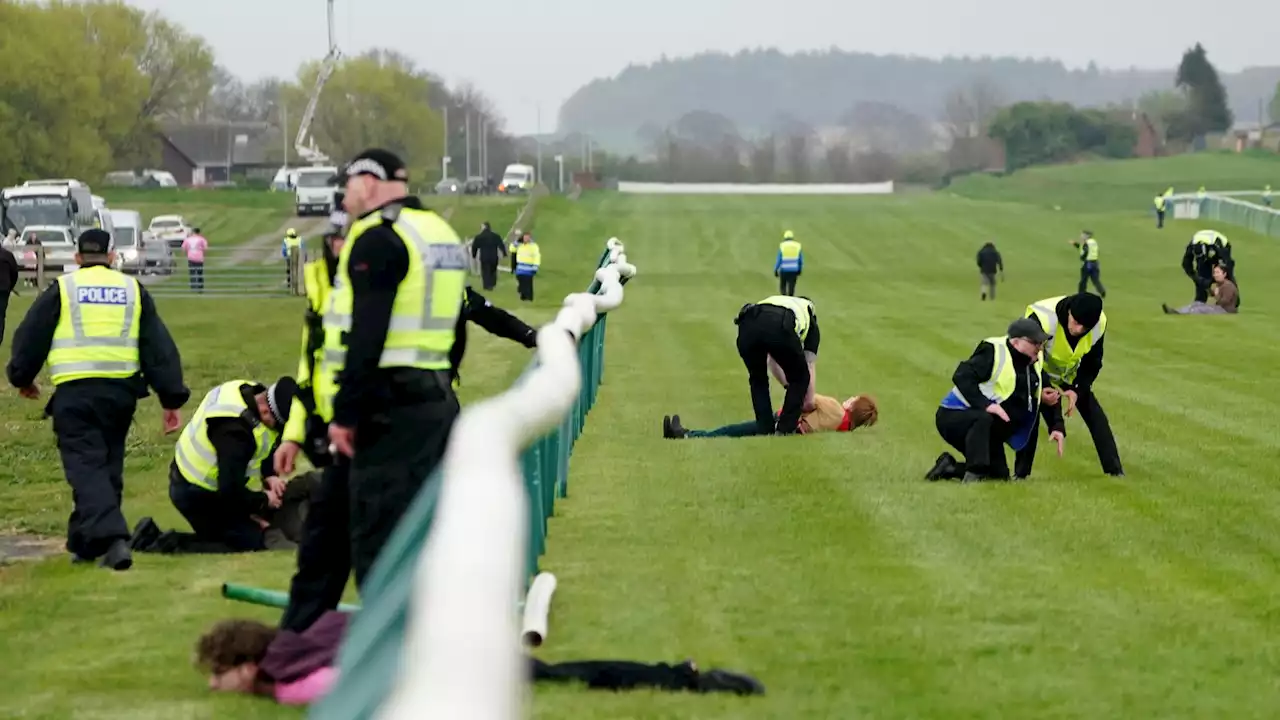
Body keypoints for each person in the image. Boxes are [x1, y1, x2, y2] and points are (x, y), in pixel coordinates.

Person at [273, 227, 537, 634]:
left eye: (349, 239)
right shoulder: (327, 294)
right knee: (341, 538)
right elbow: (308, 373)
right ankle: (313, 638)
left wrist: (531, 337)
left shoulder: (407, 288)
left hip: (407, 420)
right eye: (336, 240)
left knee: (407, 516)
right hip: (347, 430)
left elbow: (485, 313)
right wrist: (293, 433)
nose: (342, 248)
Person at [277, 148, 467, 627]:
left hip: (386, 407)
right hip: (430, 394)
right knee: (327, 531)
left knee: (377, 536)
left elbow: (368, 332)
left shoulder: (380, 237)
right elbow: (457, 329)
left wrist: (346, 413)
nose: (344, 194)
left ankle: (397, 651)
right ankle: (298, 641)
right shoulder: (439, 234)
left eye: (348, 183)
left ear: (368, 181)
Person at [5, 229, 189, 570]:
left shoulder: (64, 288)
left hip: (75, 393)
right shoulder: (133, 290)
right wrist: (171, 397)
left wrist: (22, 376)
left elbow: (32, 334)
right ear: (111, 255)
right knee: (106, 466)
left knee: (86, 467)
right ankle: (86, 544)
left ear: (77, 258)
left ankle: (114, 539)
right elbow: (158, 347)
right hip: (120, 395)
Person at [195, 611, 764, 707]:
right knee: (565, 677)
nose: (218, 688)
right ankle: (683, 678)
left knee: (567, 677)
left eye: (220, 676)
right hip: (448, 644)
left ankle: (691, 682)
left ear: (246, 662)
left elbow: (345, 687)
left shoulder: (290, 678)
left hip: (449, 660)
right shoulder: (304, 635)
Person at [129, 377, 301, 555]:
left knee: (254, 524)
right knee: (248, 540)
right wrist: (264, 500)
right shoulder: (234, 435)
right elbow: (230, 491)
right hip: (195, 494)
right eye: (279, 427)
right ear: (265, 411)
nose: (280, 433)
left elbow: (268, 439)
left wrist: (270, 474)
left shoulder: (252, 393)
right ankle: (156, 541)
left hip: (200, 483)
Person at [926, 318, 1064, 483]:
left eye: (1041, 343)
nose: (1039, 348)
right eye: (1035, 342)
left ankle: (949, 467)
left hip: (986, 427)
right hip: (954, 416)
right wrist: (987, 404)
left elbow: (1046, 391)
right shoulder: (993, 351)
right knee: (984, 417)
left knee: (999, 476)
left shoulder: (1033, 361)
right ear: (1017, 342)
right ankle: (974, 473)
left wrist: (1056, 426)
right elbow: (962, 376)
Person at [1018, 292, 1123, 478]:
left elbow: (1093, 362)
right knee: (1031, 411)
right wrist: (1054, 412)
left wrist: (1077, 390)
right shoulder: (1041, 319)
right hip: (1034, 370)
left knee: (1095, 414)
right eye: (1076, 322)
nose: (1078, 329)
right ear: (1069, 312)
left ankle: (1115, 471)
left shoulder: (1099, 324)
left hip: (1068, 376)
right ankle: (1021, 474)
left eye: (1085, 327)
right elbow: (1028, 359)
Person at [734, 295, 820, 435]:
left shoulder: (779, 301)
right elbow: (808, 365)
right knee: (800, 378)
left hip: (747, 325)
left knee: (758, 379)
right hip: (779, 326)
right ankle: (785, 429)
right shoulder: (810, 318)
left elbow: (773, 360)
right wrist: (806, 399)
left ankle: (765, 428)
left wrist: (789, 386)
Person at [664, 393, 877, 438]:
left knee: (733, 431)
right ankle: (686, 433)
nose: (849, 398)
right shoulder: (843, 426)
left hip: (783, 424)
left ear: (854, 406)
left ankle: (687, 435)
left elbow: (807, 397)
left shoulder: (836, 409)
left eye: (853, 399)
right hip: (790, 428)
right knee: (736, 431)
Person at [1182, 229, 1238, 306]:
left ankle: (1233, 299)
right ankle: (1200, 301)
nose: (1200, 259)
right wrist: (1198, 279)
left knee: (1223, 273)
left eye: (1202, 257)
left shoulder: (1218, 245)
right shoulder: (1191, 246)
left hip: (1222, 248)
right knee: (1202, 273)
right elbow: (1186, 265)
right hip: (1208, 250)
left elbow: (1229, 264)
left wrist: (1214, 279)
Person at [1163, 262, 1238, 315]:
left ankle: (1180, 313)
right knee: (1197, 303)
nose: (1215, 275)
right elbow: (1214, 295)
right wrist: (1208, 289)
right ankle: (1177, 311)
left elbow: (1224, 301)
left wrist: (1216, 295)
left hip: (1225, 311)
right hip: (1219, 308)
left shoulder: (1228, 286)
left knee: (1201, 309)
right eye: (1214, 272)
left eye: (1218, 273)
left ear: (1224, 274)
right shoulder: (1220, 284)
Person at [470, 221, 506, 291]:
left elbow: (474, 247)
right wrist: (504, 253)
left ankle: (487, 285)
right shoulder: (495, 236)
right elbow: (501, 245)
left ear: (484, 227)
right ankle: (492, 284)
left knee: (485, 271)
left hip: (484, 257)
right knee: (493, 270)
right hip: (494, 257)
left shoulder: (479, 237)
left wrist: (474, 255)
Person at [1070, 230, 1105, 297]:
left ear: (1087, 236)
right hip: (1095, 263)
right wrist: (1075, 244)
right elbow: (1083, 248)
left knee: (1083, 280)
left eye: (1083, 235)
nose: (1081, 236)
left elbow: (1086, 250)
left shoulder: (1086, 243)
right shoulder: (1093, 242)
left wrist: (1082, 258)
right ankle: (1102, 292)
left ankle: (1081, 293)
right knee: (1095, 280)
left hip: (1088, 264)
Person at [774, 230, 802, 296]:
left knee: (783, 286)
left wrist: (776, 269)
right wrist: (800, 269)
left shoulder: (782, 246)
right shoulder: (797, 246)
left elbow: (779, 259)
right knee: (791, 287)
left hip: (784, 269)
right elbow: (800, 259)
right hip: (794, 270)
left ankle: (784, 298)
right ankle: (790, 298)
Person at [0, 240, 18, 343]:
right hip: (3, 290)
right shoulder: (8, 256)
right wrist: (10, 286)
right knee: (1, 315)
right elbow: (14, 273)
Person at [514, 232, 541, 301]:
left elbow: (537, 256)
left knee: (528, 284)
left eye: (527, 237)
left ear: (530, 238)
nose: (526, 239)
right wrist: (516, 242)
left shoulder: (533, 246)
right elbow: (512, 249)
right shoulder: (520, 245)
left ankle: (528, 298)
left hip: (529, 268)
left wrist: (535, 266)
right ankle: (523, 296)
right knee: (521, 282)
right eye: (524, 237)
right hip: (520, 268)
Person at [182, 227, 208, 292]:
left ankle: (193, 287)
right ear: (199, 233)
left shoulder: (188, 239)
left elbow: (183, 248)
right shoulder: (202, 239)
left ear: (193, 232)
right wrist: (203, 254)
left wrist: (187, 254)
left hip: (191, 257)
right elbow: (205, 248)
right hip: (199, 258)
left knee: (192, 272)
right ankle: (200, 287)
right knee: (200, 273)